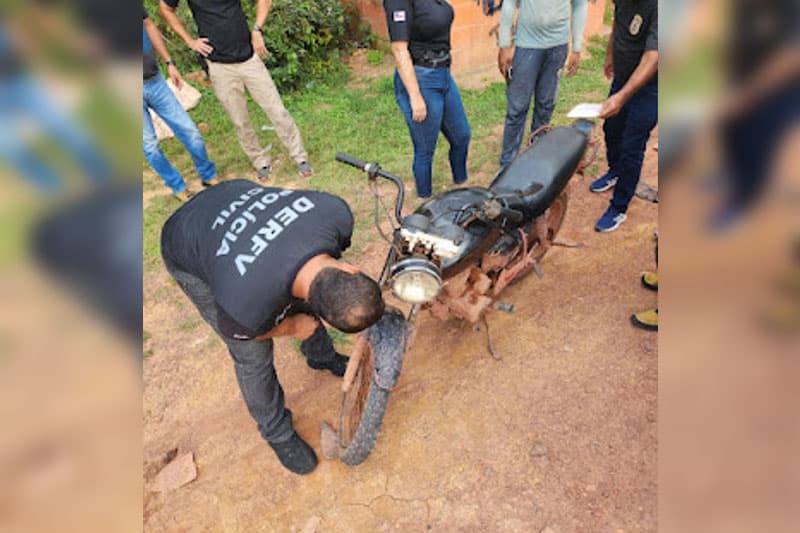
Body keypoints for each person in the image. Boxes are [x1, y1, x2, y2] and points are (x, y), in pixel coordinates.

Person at [160, 180, 385, 474]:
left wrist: (300, 319)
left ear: (351, 269)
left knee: (313, 293)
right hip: (185, 237)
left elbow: (318, 283)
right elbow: (243, 332)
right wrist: (291, 327)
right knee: (252, 357)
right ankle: (277, 434)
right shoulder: (242, 303)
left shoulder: (335, 212)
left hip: (230, 198)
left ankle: (322, 358)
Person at [159, 0, 313, 181]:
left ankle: (300, 158)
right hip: (219, 66)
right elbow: (165, 8)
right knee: (240, 120)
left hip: (249, 59)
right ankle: (260, 162)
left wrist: (257, 30)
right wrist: (190, 41)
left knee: (277, 110)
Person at [384, 0, 472, 199]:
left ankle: (461, 188)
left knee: (462, 136)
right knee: (425, 149)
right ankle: (425, 202)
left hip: (443, 75)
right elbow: (399, 50)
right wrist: (415, 96)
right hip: (421, 78)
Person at [590, 0, 658, 233]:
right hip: (623, 77)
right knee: (612, 129)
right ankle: (615, 172)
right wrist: (610, 54)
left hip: (653, 87)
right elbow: (618, 23)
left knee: (632, 144)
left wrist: (621, 97)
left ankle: (618, 208)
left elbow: (653, 57)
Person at [497, 0, 588, 167]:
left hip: (557, 48)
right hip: (527, 46)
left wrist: (576, 47)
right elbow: (509, 3)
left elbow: (580, 5)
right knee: (517, 108)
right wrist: (504, 44)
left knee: (546, 105)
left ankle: (536, 157)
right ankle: (507, 165)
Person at [143, 8, 219, 202]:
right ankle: (177, 186)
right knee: (150, 145)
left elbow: (149, 24)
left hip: (154, 81)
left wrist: (169, 63)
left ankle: (208, 176)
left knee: (190, 131)